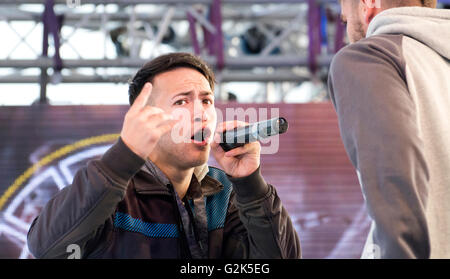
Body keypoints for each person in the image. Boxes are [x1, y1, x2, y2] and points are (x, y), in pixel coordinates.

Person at [27, 52, 301, 259]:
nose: (200, 112)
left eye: (206, 100)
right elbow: (48, 248)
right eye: (182, 101)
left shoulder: (226, 192)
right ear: (144, 117)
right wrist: (123, 156)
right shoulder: (110, 192)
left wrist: (251, 184)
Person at [328, 0, 450, 258]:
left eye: (345, 20)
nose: (348, 31)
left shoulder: (371, 57)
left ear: (368, 4)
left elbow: (394, 183)